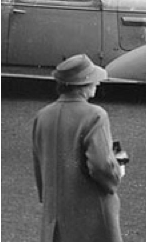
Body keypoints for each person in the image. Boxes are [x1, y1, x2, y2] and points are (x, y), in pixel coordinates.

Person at [32, 54, 124, 242]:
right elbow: (101, 165)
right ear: (85, 84)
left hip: (56, 210)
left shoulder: (42, 115)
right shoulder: (95, 115)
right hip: (90, 211)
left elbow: (39, 161)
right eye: (94, 80)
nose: (97, 83)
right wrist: (117, 173)